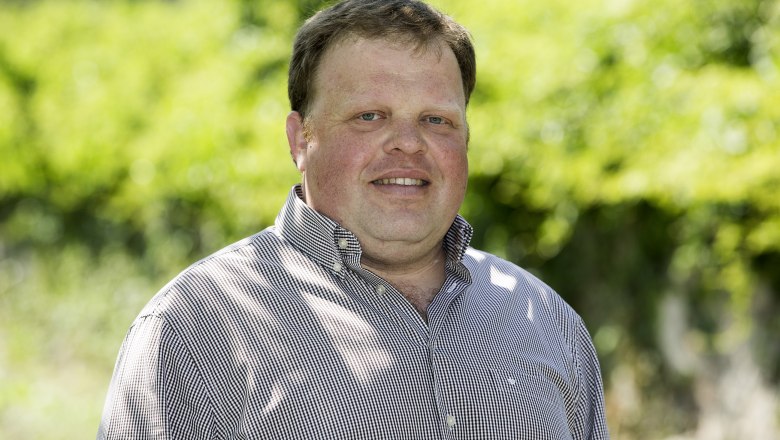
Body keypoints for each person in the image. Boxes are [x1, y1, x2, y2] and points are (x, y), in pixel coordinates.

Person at [97, 0, 610, 438]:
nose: (408, 142)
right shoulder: (196, 328)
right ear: (301, 140)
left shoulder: (546, 321)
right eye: (370, 116)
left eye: (436, 120)